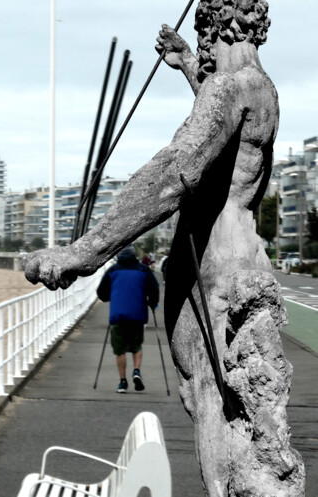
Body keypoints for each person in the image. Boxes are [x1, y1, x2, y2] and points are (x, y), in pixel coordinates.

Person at [23, 2, 304, 493]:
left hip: (217, 276)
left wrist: (81, 254)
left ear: (216, 25)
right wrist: (191, 65)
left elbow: (174, 173)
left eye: (205, 40)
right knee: (225, 413)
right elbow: (226, 140)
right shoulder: (259, 87)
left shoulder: (232, 87)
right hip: (231, 266)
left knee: (226, 425)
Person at [96, 245, 159, 393]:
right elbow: (154, 288)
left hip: (118, 315)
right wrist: (152, 302)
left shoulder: (112, 270)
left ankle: (123, 382)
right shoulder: (143, 269)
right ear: (134, 255)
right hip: (138, 314)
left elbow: (101, 293)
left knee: (120, 350)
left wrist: (109, 297)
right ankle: (136, 371)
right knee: (136, 346)